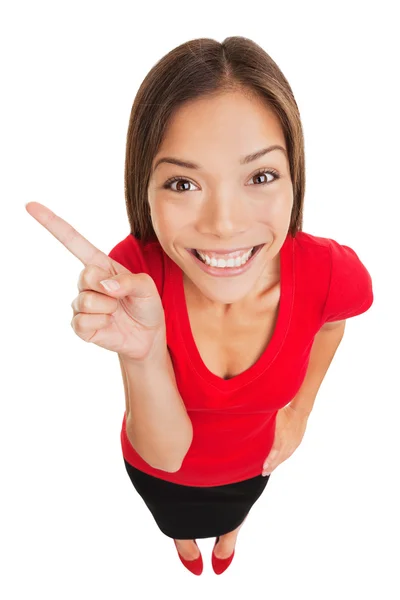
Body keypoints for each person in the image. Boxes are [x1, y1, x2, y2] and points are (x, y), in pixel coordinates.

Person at [25, 36, 374, 576]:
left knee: (236, 512)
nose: (223, 224)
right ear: (145, 190)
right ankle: (184, 541)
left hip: (254, 468)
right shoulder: (133, 276)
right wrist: (143, 354)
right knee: (178, 525)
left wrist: (299, 413)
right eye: (183, 183)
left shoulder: (330, 272)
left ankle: (231, 530)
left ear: (294, 178)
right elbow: (165, 455)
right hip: (157, 472)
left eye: (260, 176)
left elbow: (334, 323)